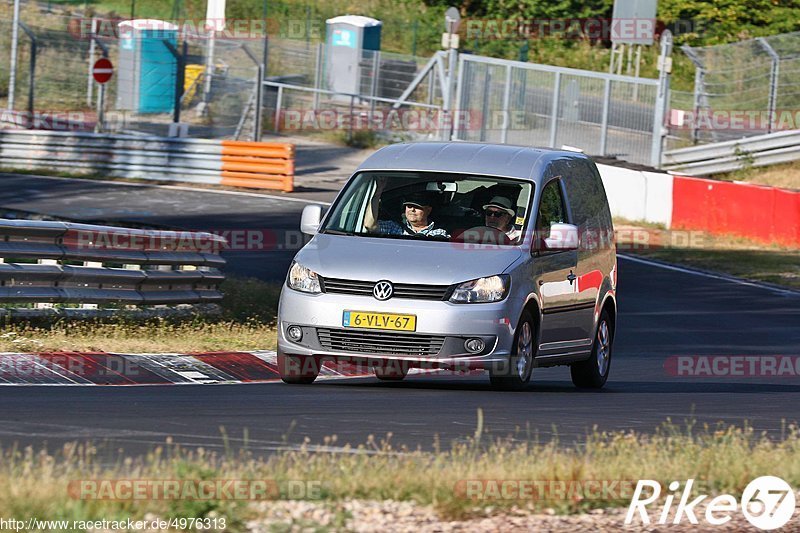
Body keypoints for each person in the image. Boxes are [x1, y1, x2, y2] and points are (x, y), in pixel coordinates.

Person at [364, 180, 449, 238]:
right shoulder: (394, 228)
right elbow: (369, 225)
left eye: (417, 207)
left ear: (428, 210)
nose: (412, 209)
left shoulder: (439, 233)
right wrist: (377, 193)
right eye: (409, 206)